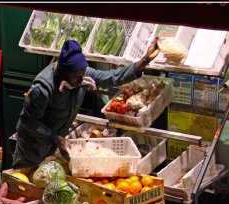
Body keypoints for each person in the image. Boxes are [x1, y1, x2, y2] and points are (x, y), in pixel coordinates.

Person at [12, 38, 160, 169]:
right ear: (62, 72)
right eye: (76, 77)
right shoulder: (43, 88)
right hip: (31, 150)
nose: (81, 80)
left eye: (83, 74)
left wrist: (145, 60)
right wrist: (55, 138)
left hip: (54, 148)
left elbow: (112, 77)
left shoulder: (81, 74)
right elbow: (27, 121)